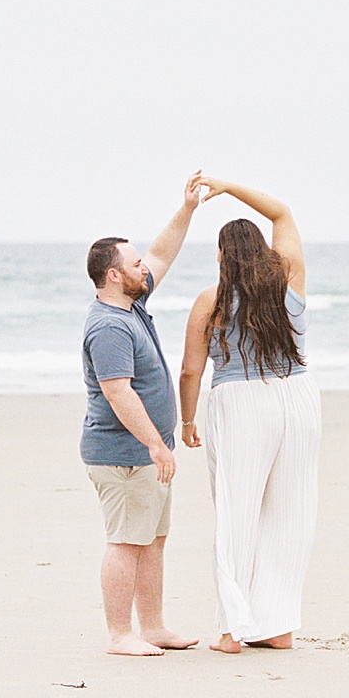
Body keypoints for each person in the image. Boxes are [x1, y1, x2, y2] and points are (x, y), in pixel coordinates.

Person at [178, 177, 322, 654]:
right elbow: (281, 211)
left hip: (240, 402)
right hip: (298, 397)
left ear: (222, 256)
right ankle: (278, 626)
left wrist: (188, 421)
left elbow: (190, 371)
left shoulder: (211, 300)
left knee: (237, 514)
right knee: (289, 514)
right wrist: (228, 186)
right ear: (261, 248)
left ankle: (232, 630)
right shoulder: (290, 274)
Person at [81, 172, 202, 656]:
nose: (143, 268)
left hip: (149, 452)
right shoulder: (109, 326)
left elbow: (163, 253)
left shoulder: (132, 303)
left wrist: (187, 208)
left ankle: (151, 627)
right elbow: (118, 394)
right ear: (114, 274)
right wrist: (154, 442)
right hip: (124, 454)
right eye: (133, 263)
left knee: (152, 540)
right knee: (126, 542)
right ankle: (119, 635)